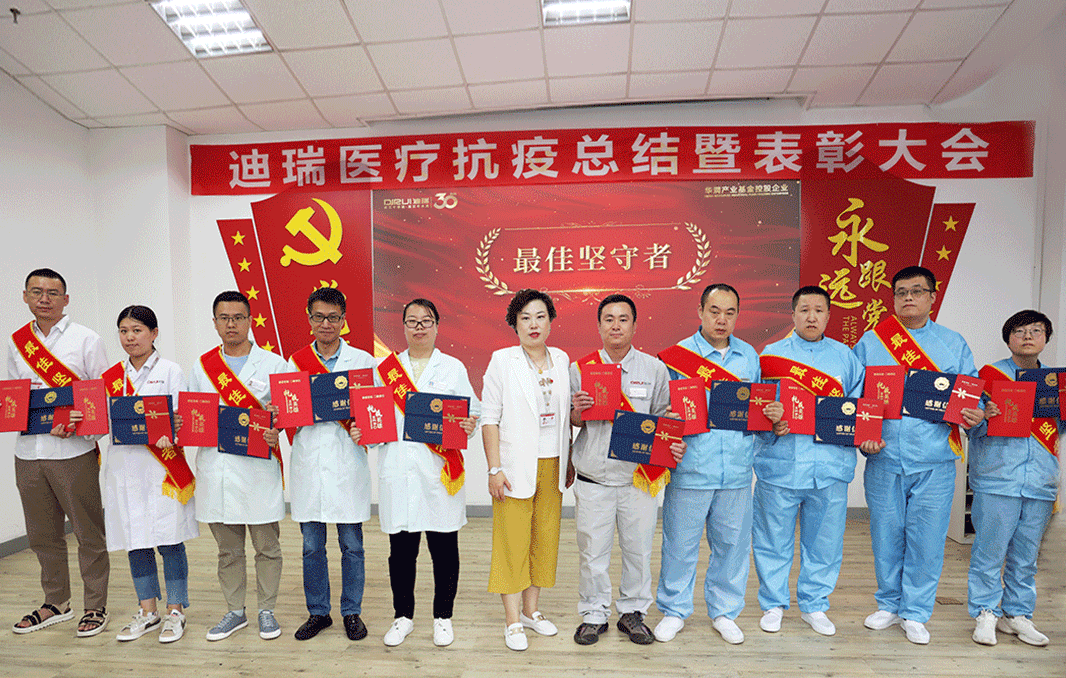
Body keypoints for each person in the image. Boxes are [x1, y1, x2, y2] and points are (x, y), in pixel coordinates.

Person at [853, 265, 984, 645]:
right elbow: (856, 397)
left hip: (935, 459)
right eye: (901, 292)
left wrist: (975, 412)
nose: (908, 297)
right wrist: (864, 436)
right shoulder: (871, 342)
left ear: (932, 297)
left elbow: (972, 392)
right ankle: (889, 604)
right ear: (893, 298)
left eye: (916, 291)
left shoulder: (952, 343)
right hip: (885, 457)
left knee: (926, 539)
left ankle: (916, 611)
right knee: (886, 535)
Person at [568, 294, 684, 646]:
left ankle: (633, 612)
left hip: (638, 478)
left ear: (634, 325)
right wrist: (578, 411)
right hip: (594, 477)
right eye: (609, 319)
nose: (616, 325)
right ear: (599, 325)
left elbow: (665, 417)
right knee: (592, 551)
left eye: (623, 319)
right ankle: (594, 613)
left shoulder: (654, 369)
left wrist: (673, 439)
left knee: (638, 550)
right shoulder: (580, 369)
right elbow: (570, 421)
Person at [753, 286, 865, 637]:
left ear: (829, 316)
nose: (811, 317)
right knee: (772, 539)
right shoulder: (771, 356)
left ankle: (814, 605)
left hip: (829, 467)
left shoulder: (846, 358)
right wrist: (771, 421)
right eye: (804, 310)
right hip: (780, 464)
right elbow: (756, 408)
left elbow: (859, 410)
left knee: (824, 542)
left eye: (819, 310)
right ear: (793, 315)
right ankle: (773, 603)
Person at [370, 298, 480, 648]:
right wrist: (366, 432)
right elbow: (374, 419)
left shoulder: (453, 368)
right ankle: (402, 617)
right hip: (398, 470)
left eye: (426, 320)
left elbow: (472, 411)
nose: (419, 327)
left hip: (438, 472)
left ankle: (443, 617)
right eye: (412, 321)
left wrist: (469, 423)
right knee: (401, 553)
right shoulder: (384, 370)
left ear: (436, 326)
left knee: (444, 550)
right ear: (403, 326)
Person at [655, 283, 760, 645]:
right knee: (679, 545)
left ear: (737, 316)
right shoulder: (677, 357)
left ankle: (725, 612)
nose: (721, 320)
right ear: (700, 312)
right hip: (690, 468)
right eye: (714, 311)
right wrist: (667, 418)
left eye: (730, 313)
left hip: (736, 470)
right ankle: (673, 610)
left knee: (732, 545)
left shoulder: (748, 357)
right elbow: (661, 410)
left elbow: (756, 409)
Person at [9, 268, 110, 638]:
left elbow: (101, 398)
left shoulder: (87, 339)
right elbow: (15, 395)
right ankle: (56, 602)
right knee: (42, 535)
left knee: (88, 533)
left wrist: (80, 424)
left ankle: (95, 606)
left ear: (66, 299)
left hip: (72, 453)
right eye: (37, 292)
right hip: (28, 451)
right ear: (25, 296)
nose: (44, 299)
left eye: (52, 293)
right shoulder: (17, 342)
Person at [189, 290, 289, 642]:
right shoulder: (202, 366)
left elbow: (286, 414)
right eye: (224, 318)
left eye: (238, 317)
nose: (231, 324)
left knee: (267, 548)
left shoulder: (274, 364)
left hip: (257, 469)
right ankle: (235, 611)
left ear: (249, 320)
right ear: (215, 322)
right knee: (228, 551)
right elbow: (193, 414)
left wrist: (277, 428)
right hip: (217, 469)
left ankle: (266, 610)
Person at [102, 306, 198, 643]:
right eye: (124, 331)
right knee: (136, 541)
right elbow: (101, 423)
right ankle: (147, 611)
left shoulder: (170, 371)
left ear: (154, 333)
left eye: (137, 330)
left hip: (161, 469)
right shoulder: (110, 377)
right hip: (124, 469)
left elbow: (182, 419)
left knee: (170, 541)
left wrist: (174, 427)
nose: (130, 337)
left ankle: (175, 611)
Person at [482, 289, 570, 651]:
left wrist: (569, 461)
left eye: (540, 316)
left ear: (550, 321)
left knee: (544, 540)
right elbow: (489, 419)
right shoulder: (502, 361)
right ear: (514, 324)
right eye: (525, 318)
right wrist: (494, 468)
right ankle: (513, 620)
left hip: (554, 463)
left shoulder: (561, 359)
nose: (533, 324)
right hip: (514, 466)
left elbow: (565, 419)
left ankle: (532, 611)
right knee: (512, 541)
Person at [286, 288, 374, 643]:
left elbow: (374, 414)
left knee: (352, 545)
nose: (326, 324)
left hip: (347, 463)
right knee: (312, 546)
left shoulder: (363, 362)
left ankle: (352, 612)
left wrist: (364, 429)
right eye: (319, 317)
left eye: (333, 317)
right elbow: (287, 413)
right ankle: (318, 613)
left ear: (343, 320)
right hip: (310, 463)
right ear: (309, 320)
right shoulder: (295, 363)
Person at [968, 310, 1060, 647]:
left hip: (1040, 481)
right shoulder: (988, 376)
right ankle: (986, 612)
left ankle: (1018, 614)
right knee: (989, 552)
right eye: (1019, 331)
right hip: (998, 478)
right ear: (1008, 339)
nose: (1028, 336)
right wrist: (984, 416)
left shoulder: (1056, 384)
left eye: (1036, 330)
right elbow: (968, 423)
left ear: (1046, 338)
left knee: (1026, 556)